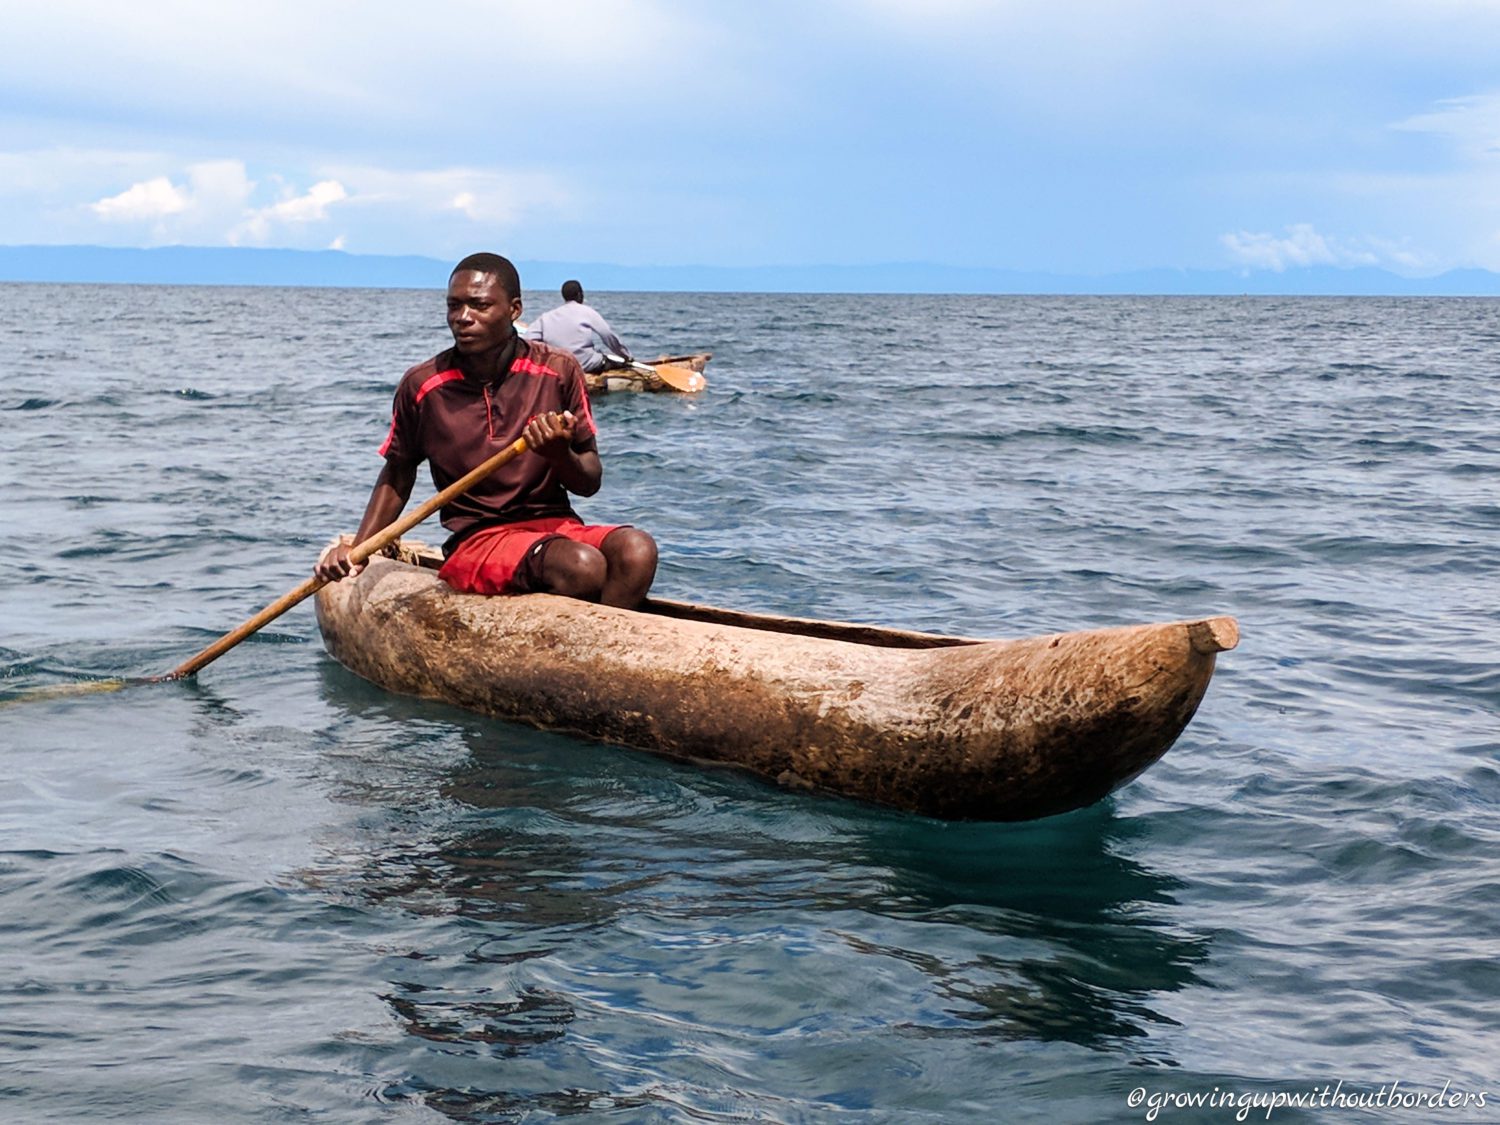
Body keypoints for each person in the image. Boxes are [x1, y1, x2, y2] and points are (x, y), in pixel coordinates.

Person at [315, 253, 658, 608]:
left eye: (479, 306)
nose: (463, 318)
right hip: (478, 540)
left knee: (637, 551)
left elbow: (589, 482)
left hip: (555, 527)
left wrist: (558, 453)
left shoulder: (559, 370)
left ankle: (596, 648)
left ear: (514, 310)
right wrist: (359, 549)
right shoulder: (423, 385)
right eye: (454, 306)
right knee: (583, 567)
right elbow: (398, 473)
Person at [522, 280, 634, 374]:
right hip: (585, 365)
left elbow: (527, 339)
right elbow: (607, 335)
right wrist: (626, 355)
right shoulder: (587, 312)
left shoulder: (546, 317)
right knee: (610, 362)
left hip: (558, 366)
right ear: (580, 295)